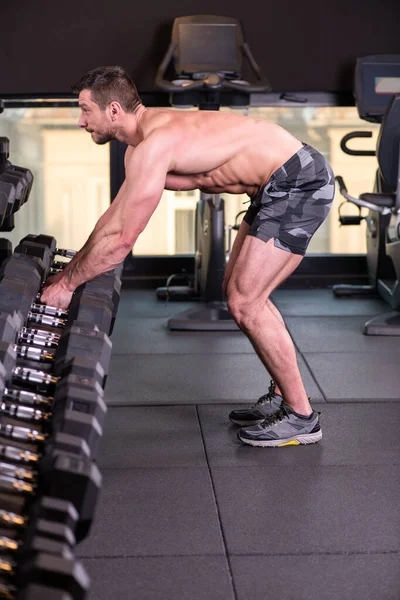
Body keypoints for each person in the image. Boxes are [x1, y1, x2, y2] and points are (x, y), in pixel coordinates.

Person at [41, 65, 335, 447]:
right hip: (276, 182)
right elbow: (112, 221)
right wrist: (72, 268)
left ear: (113, 110)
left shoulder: (155, 144)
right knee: (240, 293)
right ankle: (282, 396)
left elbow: (122, 239)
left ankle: (301, 416)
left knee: (245, 301)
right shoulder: (141, 147)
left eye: (85, 110)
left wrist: (67, 285)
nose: (81, 122)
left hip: (298, 179)